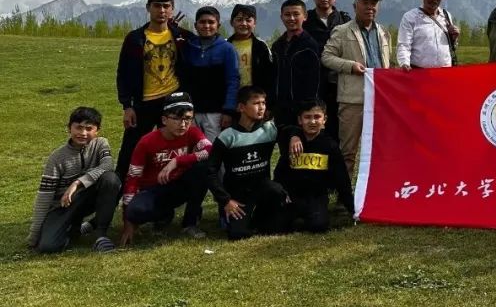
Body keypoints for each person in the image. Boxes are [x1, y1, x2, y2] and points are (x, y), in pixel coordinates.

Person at [115, 0, 191, 182]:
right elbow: (123, 73)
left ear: (172, 9)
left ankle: (168, 190)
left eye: (166, 6)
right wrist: (127, 106)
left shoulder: (182, 37)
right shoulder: (135, 38)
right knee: (130, 151)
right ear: (148, 7)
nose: (162, 10)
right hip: (143, 104)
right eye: (157, 6)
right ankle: (119, 191)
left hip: (171, 102)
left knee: (173, 150)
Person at [119, 92, 212, 244]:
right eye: (176, 119)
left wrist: (177, 161)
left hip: (179, 184)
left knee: (204, 168)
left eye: (187, 118)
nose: (182, 124)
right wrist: (127, 222)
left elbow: (210, 150)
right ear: (164, 120)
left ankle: (190, 222)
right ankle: (163, 215)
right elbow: (133, 178)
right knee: (135, 211)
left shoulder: (193, 132)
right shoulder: (146, 141)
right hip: (153, 189)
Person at [321, 0, 392, 182]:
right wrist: (350, 66)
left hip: (380, 100)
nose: (370, 7)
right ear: (355, 6)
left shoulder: (384, 32)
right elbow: (326, 57)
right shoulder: (342, 31)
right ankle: (345, 193)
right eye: (365, 3)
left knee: (380, 149)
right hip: (353, 100)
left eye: (374, 3)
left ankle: (376, 190)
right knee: (348, 151)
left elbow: (387, 63)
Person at [28, 106, 120, 253]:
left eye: (89, 128)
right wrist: (34, 237)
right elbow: (44, 198)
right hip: (63, 206)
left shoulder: (100, 144)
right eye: (78, 127)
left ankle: (101, 235)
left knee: (111, 180)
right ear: (69, 128)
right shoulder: (57, 158)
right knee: (48, 246)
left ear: (97, 130)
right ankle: (76, 228)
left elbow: (108, 165)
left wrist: (77, 183)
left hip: (89, 197)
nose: (83, 133)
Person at [207, 86, 288, 241]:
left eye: (263, 103)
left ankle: (261, 216)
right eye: (256, 103)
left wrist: (295, 136)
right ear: (241, 107)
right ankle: (227, 216)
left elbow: (291, 130)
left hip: (263, 189)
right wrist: (225, 200)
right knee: (238, 234)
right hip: (237, 195)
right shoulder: (227, 137)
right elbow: (210, 171)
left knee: (275, 221)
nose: (261, 107)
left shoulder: (270, 130)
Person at [275, 100, 355, 233]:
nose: (312, 122)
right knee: (273, 227)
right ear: (300, 120)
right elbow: (282, 130)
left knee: (318, 226)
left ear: (324, 120)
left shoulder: (330, 146)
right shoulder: (290, 141)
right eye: (307, 117)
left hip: (316, 197)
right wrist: (294, 135)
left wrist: (353, 210)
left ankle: (302, 220)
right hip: (291, 195)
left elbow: (342, 181)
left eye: (317, 117)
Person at [304, 0, 351, 142]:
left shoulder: (344, 20)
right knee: (314, 126)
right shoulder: (305, 20)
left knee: (339, 128)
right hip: (314, 82)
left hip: (339, 83)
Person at [188, 6, 240, 142]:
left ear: (218, 25)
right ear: (196, 25)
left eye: (211, 22)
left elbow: (233, 81)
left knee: (213, 148)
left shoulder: (227, 49)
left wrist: (228, 110)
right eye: (202, 22)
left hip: (216, 113)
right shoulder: (189, 48)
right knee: (193, 147)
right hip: (192, 111)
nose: (206, 26)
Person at [271, 0, 322, 126]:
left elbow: (315, 80)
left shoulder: (310, 45)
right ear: (281, 17)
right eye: (287, 15)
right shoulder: (277, 45)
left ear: (305, 16)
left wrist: (309, 108)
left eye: (296, 14)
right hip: (280, 109)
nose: (292, 18)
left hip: (302, 110)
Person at [397, 0, 459, 70]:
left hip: (445, 72)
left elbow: (451, 46)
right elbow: (404, 45)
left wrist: (454, 38)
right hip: (420, 73)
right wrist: (404, 63)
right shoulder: (410, 17)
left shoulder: (446, 15)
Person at [227, 4, 275, 104]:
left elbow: (270, 77)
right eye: (239, 20)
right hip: (230, 101)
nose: (244, 23)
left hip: (255, 102)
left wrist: (269, 103)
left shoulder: (261, 47)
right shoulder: (226, 46)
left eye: (248, 20)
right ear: (231, 22)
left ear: (254, 23)